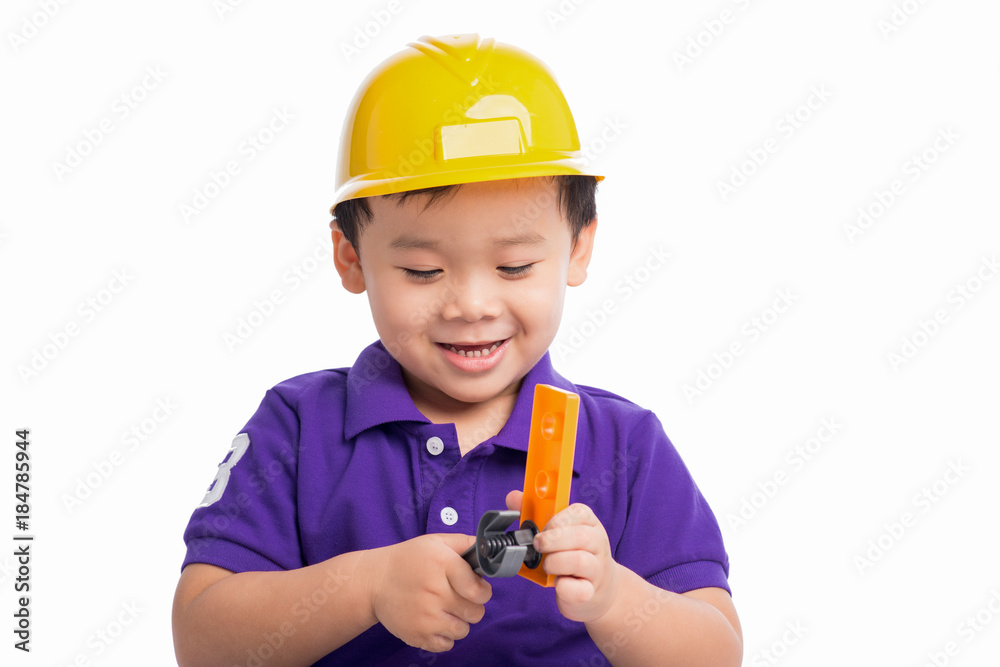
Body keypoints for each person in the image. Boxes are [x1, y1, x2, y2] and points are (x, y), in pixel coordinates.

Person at [172, 33, 742, 666]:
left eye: (516, 265)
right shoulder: (299, 428)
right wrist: (366, 586)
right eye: (422, 271)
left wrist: (615, 598)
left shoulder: (626, 445)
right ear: (350, 256)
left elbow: (716, 651)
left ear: (578, 249)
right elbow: (202, 640)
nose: (471, 305)